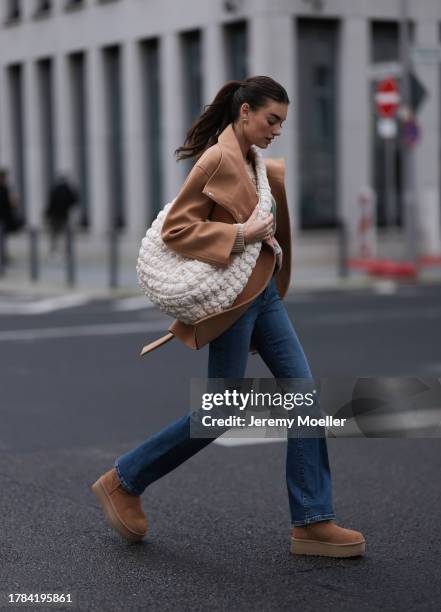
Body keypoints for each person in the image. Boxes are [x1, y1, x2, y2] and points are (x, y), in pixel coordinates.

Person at [91, 76, 366, 558]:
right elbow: (178, 228)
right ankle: (124, 480)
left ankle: (313, 520)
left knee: (303, 395)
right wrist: (240, 234)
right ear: (244, 112)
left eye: (282, 121)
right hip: (234, 299)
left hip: (263, 298)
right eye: (271, 119)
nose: (277, 130)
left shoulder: (253, 159)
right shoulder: (217, 159)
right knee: (222, 410)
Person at [45, 175, 78, 255]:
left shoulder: (55, 189)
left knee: (54, 232)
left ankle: (53, 248)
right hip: (64, 214)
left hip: (54, 215)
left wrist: (48, 213)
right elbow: (74, 200)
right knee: (66, 231)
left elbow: (50, 202)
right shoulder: (68, 190)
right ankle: (67, 249)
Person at [0, 168, 18, 266]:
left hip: (4, 218)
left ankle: (3, 256)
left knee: (3, 238)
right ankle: (3, 256)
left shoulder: (5, 188)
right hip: (3, 218)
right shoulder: (4, 189)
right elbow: (9, 204)